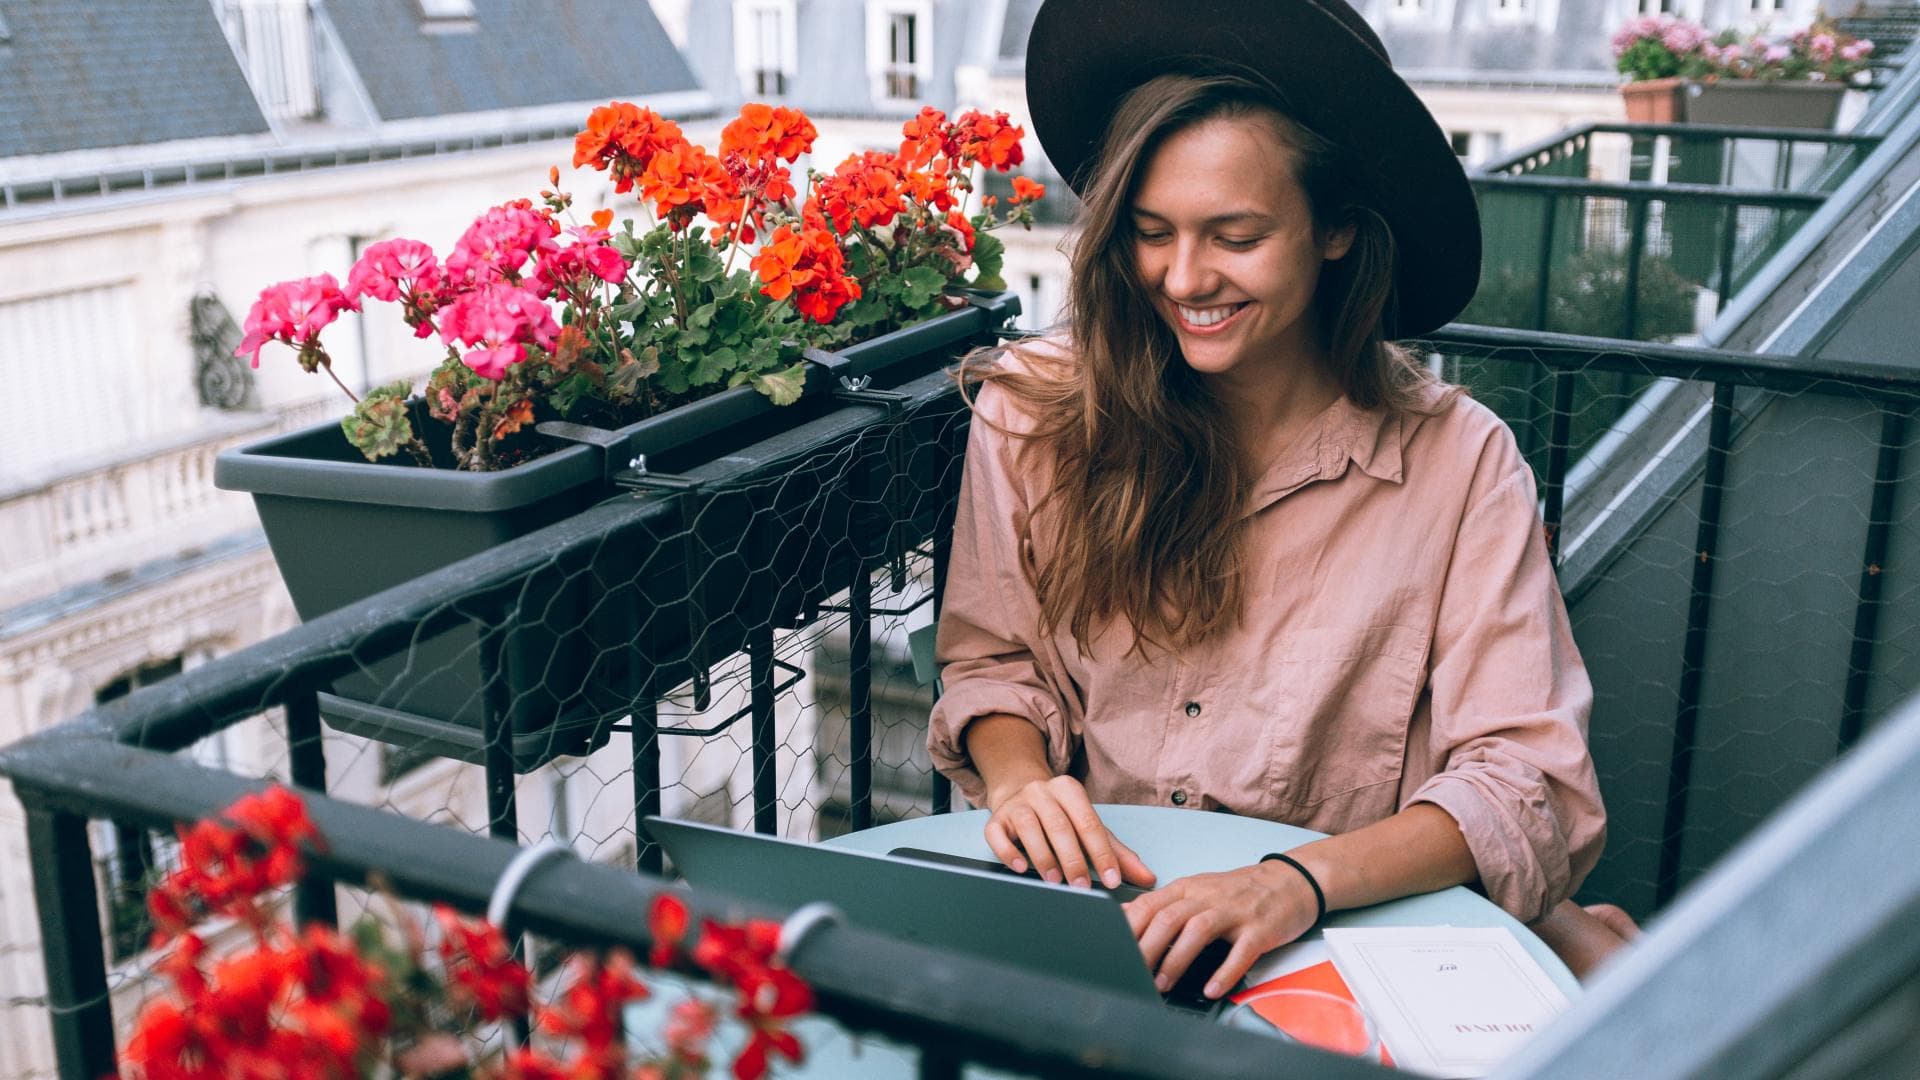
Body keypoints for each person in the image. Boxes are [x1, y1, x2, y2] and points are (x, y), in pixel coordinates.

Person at [927, 0, 1636, 998]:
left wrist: (1292, 886)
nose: (1182, 278)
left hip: (1343, 953)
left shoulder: (1459, 463)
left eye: (1236, 235)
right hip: (1099, 934)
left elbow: (1528, 784)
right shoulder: (1033, 416)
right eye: (1150, 233)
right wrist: (1019, 779)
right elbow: (993, 656)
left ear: (1336, 226)